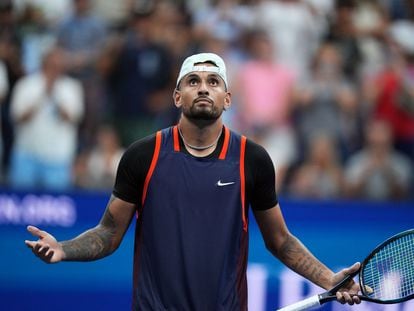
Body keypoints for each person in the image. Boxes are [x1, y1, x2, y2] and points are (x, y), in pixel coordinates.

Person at [25, 53, 361, 310]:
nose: (203, 87)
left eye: (213, 82)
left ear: (227, 99)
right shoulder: (143, 156)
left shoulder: (252, 159)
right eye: (193, 81)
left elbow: (281, 241)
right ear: (177, 97)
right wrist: (63, 249)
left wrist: (329, 278)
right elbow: (109, 233)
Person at [9, 46, 84, 190]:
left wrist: (54, 95)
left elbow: (74, 118)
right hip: (27, 154)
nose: (55, 69)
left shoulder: (72, 87)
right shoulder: (26, 84)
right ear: (44, 63)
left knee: (55, 207)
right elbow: (17, 117)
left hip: (58, 158)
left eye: (59, 65)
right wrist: (42, 95)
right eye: (52, 64)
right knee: (22, 202)